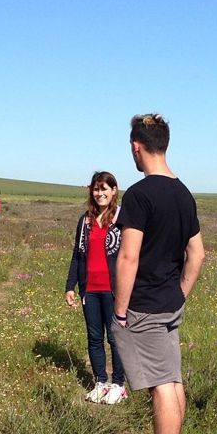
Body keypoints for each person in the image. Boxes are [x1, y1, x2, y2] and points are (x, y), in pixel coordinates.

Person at [112, 114, 205, 434]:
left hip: (144, 306)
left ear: (137, 146)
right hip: (169, 303)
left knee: (161, 385)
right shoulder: (184, 193)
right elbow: (197, 254)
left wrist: (120, 311)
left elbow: (128, 257)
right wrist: (179, 293)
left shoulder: (139, 195)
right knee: (173, 379)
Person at [65, 171, 127, 405]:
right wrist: (70, 286)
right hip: (89, 289)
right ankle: (101, 382)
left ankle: (119, 385)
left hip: (114, 290)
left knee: (115, 337)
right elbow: (77, 255)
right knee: (94, 337)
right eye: (96, 189)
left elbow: (132, 255)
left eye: (104, 189)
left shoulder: (122, 218)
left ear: (114, 191)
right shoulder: (85, 221)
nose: (100, 193)